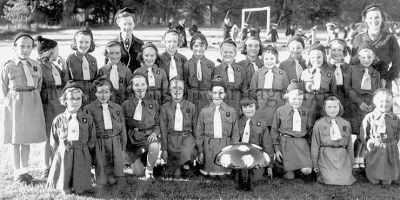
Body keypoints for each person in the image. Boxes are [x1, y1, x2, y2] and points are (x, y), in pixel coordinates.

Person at [0, 33, 47, 184]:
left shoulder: (35, 64)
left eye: (28, 47)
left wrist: (31, 98)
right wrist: (14, 100)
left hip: (31, 102)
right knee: (16, 139)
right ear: (14, 47)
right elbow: (4, 88)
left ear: (32, 48)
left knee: (26, 139)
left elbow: (38, 85)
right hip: (15, 104)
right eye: (21, 46)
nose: (25, 50)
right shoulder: (8, 66)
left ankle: (25, 170)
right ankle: (16, 172)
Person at [46, 82, 96, 195]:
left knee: (81, 186)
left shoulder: (87, 119)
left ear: (82, 99)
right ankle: (65, 185)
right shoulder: (58, 120)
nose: (75, 102)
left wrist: (87, 152)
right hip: (64, 153)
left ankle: (80, 185)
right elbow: (54, 141)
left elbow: (92, 139)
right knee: (65, 176)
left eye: (78, 98)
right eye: (71, 99)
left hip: (81, 153)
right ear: (64, 100)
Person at [84, 77, 127, 189]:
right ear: (95, 93)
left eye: (106, 92)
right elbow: (88, 130)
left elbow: (122, 128)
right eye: (100, 92)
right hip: (99, 141)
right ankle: (99, 175)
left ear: (111, 92)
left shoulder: (117, 107)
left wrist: (123, 146)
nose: (103, 96)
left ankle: (113, 175)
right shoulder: (89, 108)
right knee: (101, 181)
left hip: (115, 141)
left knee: (115, 176)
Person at [37, 36, 69, 179]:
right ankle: (46, 166)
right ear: (49, 51)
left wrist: (64, 68)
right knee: (49, 136)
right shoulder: (39, 66)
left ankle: (60, 163)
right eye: (56, 50)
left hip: (60, 104)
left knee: (61, 134)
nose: (58, 52)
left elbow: (64, 83)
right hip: (48, 105)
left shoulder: (55, 66)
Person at [195, 76, 240, 176]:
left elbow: (235, 133)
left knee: (224, 174)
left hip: (225, 145)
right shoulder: (204, 112)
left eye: (221, 92)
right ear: (210, 93)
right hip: (209, 145)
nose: (218, 95)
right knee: (211, 174)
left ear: (225, 94)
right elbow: (199, 133)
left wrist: (233, 149)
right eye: (215, 92)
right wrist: (201, 151)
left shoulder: (231, 111)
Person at [345, 47, 381, 169]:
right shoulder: (351, 69)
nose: (366, 60)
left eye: (369, 57)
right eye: (363, 57)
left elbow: (377, 91)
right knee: (353, 132)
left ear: (373, 58)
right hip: (354, 104)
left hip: (368, 106)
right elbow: (348, 88)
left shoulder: (376, 74)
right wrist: (359, 102)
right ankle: (351, 157)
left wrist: (372, 104)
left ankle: (360, 158)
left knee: (364, 133)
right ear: (359, 57)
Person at [270, 80, 313, 180]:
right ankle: (289, 170)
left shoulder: (306, 112)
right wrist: (277, 149)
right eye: (294, 98)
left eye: (300, 99)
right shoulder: (280, 111)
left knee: (307, 171)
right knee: (289, 177)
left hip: (301, 143)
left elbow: (310, 130)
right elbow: (274, 130)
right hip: (286, 143)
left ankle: (298, 167)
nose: (297, 101)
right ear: (287, 97)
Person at [350, 4, 400, 89]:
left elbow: (397, 63)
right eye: (370, 18)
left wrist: (388, 77)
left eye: (377, 17)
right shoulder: (358, 38)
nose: (374, 20)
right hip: (361, 83)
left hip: (382, 82)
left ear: (382, 18)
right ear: (365, 20)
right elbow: (353, 62)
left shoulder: (390, 38)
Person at [122, 73, 161, 180]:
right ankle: (136, 162)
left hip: (147, 137)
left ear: (147, 86)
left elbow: (158, 124)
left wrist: (154, 133)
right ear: (132, 87)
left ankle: (149, 171)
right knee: (138, 173)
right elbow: (122, 126)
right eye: (137, 85)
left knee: (155, 145)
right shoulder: (126, 104)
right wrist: (124, 147)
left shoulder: (154, 103)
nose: (140, 88)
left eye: (143, 84)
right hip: (132, 140)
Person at [311, 95, 356, 185]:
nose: (332, 110)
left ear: (340, 107)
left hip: (342, 155)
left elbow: (349, 145)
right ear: (324, 108)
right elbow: (315, 144)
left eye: (335, 107)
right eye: (329, 107)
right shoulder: (319, 124)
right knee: (330, 180)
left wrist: (351, 161)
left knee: (345, 180)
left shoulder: (346, 124)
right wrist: (315, 163)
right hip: (325, 155)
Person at [360, 89, 400, 185]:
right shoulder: (370, 117)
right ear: (375, 101)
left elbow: (398, 132)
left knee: (388, 170)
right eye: (381, 101)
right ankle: (373, 176)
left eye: (388, 101)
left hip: (390, 146)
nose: (384, 104)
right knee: (375, 171)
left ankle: (388, 177)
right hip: (376, 146)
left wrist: (393, 142)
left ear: (391, 102)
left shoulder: (395, 118)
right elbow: (364, 133)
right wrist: (370, 144)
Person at [160, 78, 197, 178]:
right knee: (173, 172)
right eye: (174, 88)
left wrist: (199, 148)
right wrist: (164, 149)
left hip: (186, 137)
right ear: (169, 90)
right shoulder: (164, 107)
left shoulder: (191, 106)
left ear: (184, 90)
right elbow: (163, 129)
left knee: (188, 149)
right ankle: (175, 166)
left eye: (180, 88)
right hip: (171, 138)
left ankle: (186, 166)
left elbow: (196, 128)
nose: (177, 91)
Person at [249, 45, 289, 128]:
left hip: (277, 106)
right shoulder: (258, 73)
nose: (269, 61)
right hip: (261, 106)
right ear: (263, 60)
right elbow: (252, 91)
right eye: (266, 59)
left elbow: (285, 91)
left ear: (276, 59)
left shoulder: (282, 74)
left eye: (272, 59)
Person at [237, 98, 274, 182]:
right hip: (240, 155)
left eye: (251, 106)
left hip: (256, 155)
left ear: (256, 107)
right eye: (245, 107)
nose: (248, 110)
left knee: (256, 179)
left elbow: (267, 145)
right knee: (240, 178)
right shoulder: (238, 122)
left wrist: (270, 166)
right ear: (241, 109)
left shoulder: (262, 123)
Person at [300, 42, 336, 124]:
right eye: (313, 57)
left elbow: (333, 91)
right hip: (308, 103)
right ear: (309, 59)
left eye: (319, 57)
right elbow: (301, 89)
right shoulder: (305, 73)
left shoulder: (329, 74)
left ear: (324, 57)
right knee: (308, 124)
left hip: (323, 102)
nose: (316, 60)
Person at [183, 33, 215, 115]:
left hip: (206, 97)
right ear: (191, 47)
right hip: (192, 97)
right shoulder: (187, 64)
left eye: (202, 46)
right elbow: (185, 82)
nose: (199, 49)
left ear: (206, 47)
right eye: (196, 46)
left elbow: (213, 83)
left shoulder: (211, 64)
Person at [213, 39, 247, 114]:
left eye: (231, 52)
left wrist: (243, 106)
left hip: (237, 101)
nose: (228, 54)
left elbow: (244, 90)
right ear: (221, 53)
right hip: (223, 101)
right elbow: (216, 88)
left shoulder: (241, 69)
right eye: (225, 52)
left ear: (235, 53)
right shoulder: (217, 70)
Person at [66, 27, 98, 104]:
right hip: (76, 95)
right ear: (75, 43)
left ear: (91, 43)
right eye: (80, 42)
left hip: (91, 95)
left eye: (87, 42)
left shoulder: (93, 60)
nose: (83, 45)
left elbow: (96, 78)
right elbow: (67, 80)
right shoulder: (70, 59)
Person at [98, 41, 133, 105]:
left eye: (117, 53)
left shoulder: (127, 71)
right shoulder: (102, 70)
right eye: (111, 53)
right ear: (107, 54)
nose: (114, 56)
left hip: (122, 104)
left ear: (121, 53)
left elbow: (130, 91)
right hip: (106, 103)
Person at [326, 38, 351, 118]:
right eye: (333, 50)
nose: (336, 53)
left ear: (344, 52)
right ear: (329, 51)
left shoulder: (348, 67)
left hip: (344, 97)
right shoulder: (326, 66)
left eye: (339, 50)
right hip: (329, 97)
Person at [114, 7, 144, 73]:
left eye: (130, 24)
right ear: (119, 24)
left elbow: (144, 66)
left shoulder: (140, 44)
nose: (127, 27)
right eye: (124, 24)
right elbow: (106, 68)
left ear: (134, 24)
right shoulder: (112, 44)